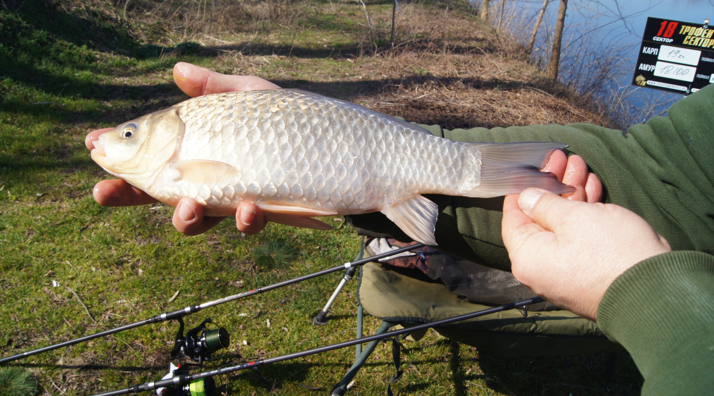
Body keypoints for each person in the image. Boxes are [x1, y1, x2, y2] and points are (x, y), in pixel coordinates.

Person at [86, 62, 713, 394]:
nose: (108, 141)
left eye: (128, 134)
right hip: (393, 175)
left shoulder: (187, 146)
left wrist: (641, 290)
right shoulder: (189, 137)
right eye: (126, 134)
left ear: (162, 135)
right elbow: (672, 166)